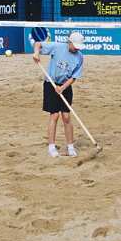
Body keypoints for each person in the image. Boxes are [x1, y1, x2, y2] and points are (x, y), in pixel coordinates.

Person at [33, 30, 85, 158]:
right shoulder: (57, 47)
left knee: (66, 117)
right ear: (69, 42)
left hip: (65, 86)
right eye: (75, 46)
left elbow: (74, 77)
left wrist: (63, 87)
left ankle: (70, 146)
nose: (76, 49)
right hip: (51, 84)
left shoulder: (79, 57)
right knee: (54, 116)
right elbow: (38, 44)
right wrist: (36, 53)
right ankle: (51, 146)